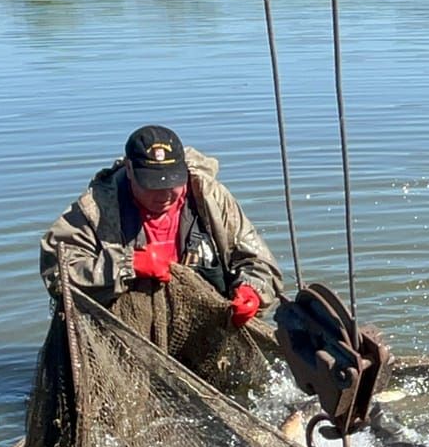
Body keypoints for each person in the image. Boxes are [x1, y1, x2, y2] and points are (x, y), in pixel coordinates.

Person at [39, 125, 284, 325]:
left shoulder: (210, 197)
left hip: (202, 327)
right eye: (153, 185)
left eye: (173, 183)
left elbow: (260, 263)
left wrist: (252, 291)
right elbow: (57, 272)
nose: (165, 195)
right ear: (130, 171)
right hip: (125, 333)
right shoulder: (96, 208)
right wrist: (127, 264)